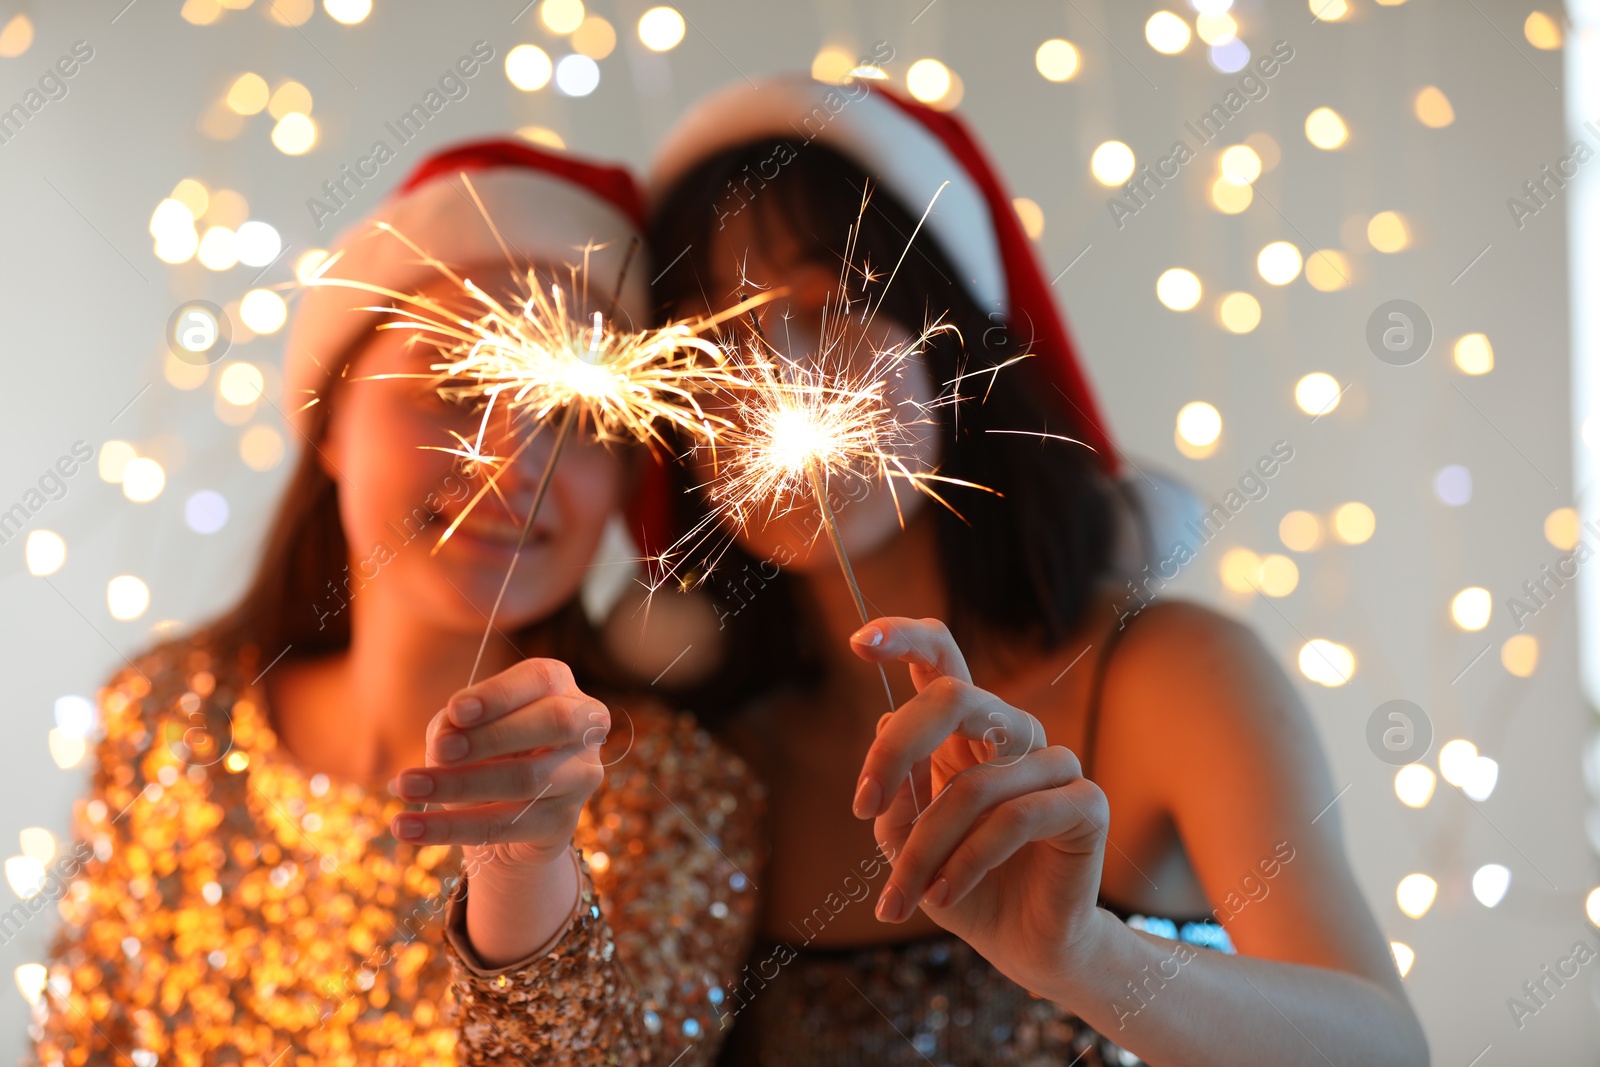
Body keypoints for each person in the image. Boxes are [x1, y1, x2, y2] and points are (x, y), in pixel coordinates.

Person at [642, 75, 1431, 1066]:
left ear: (950, 336)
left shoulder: (1170, 675)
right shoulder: (713, 770)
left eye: (831, 299)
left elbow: (1385, 1051)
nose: (779, 378)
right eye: (717, 338)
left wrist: (1087, 955)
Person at [27, 141, 764, 1067]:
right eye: (456, 385)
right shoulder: (166, 716)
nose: (513, 464)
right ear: (333, 419)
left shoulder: (673, 796)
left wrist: (527, 887)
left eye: (576, 419)